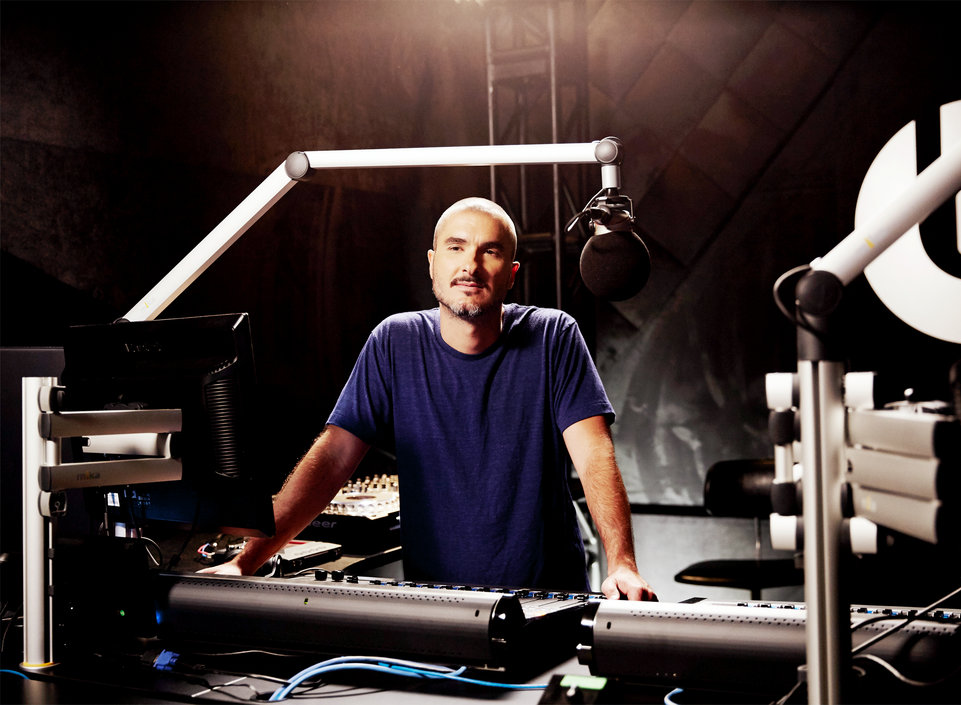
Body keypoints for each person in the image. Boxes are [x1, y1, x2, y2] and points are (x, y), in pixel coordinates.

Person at [203, 197, 656, 601]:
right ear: (432, 263)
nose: (470, 265)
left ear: (512, 274)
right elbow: (334, 457)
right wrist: (246, 561)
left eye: (490, 251)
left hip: (548, 600)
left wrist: (621, 564)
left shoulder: (554, 335)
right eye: (456, 248)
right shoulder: (393, 341)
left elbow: (593, 454)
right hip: (437, 605)